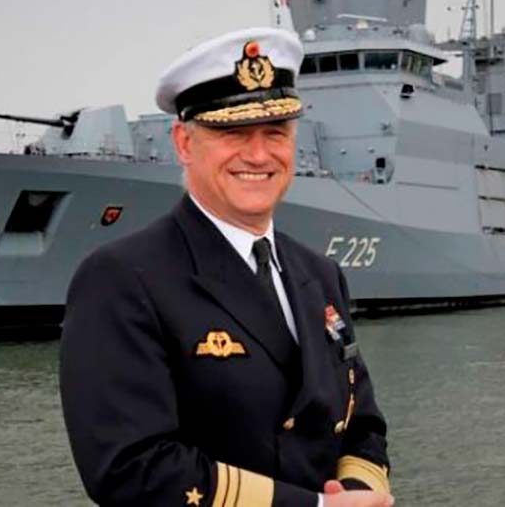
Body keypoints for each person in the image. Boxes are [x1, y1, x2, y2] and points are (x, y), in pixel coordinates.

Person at [60, 27, 392, 507]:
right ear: (183, 143)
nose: (258, 155)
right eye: (232, 132)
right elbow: (129, 467)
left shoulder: (321, 275)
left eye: (276, 132)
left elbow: (362, 421)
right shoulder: (122, 279)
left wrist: (358, 494)